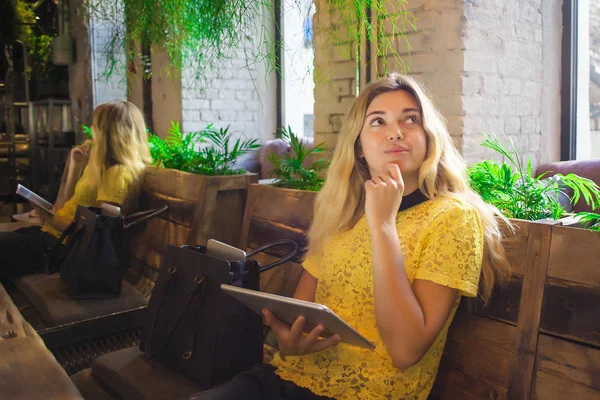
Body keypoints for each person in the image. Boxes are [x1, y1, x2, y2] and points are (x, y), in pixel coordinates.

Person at [192, 74, 512, 400]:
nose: (396, 131)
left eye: (410, 119)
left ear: (429, 137)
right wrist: (289, 342)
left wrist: (383, 226)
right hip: (287, 378)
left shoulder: (453, 217)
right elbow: (301, 312)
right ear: (359, 147)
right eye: (378, 121)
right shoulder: (344, 214)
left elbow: (405, 350)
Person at [0, 101, 151, 280]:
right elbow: (60, 207)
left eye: (95, 124)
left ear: (109, 133)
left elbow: (97, 234)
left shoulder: (117, 173)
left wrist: (47, 216)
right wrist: (74, 166)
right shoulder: (98, 165)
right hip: (50, 237)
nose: (91, 128)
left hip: (61, 248)